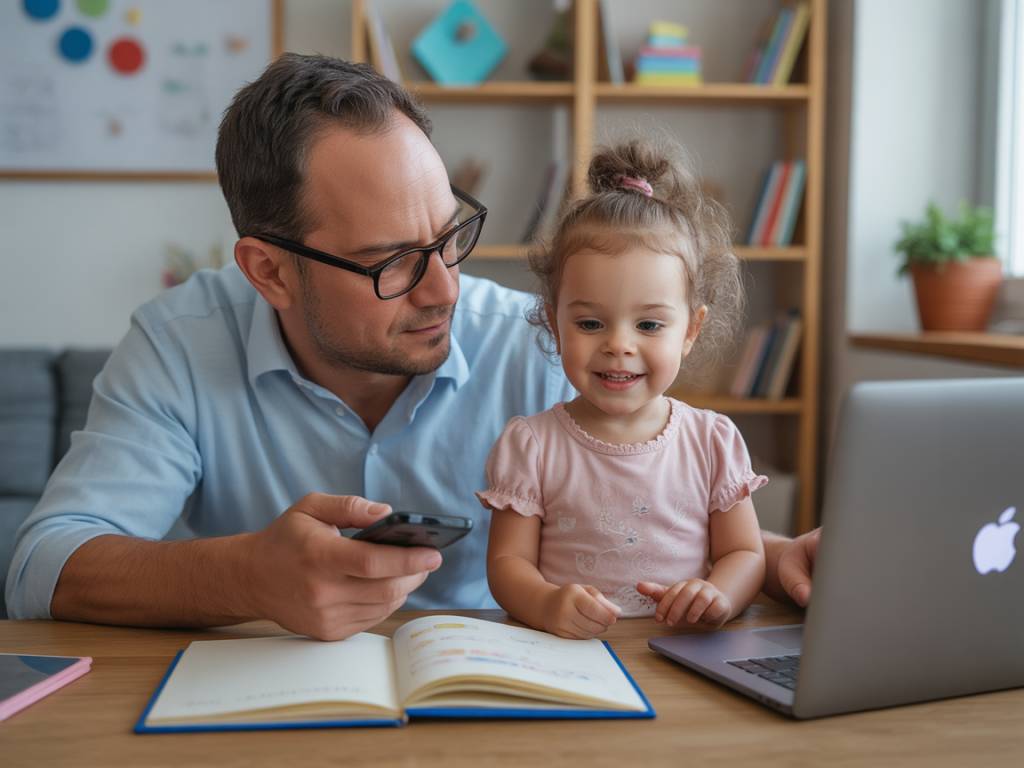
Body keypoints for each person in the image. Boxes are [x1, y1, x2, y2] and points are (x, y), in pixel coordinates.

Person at [5, 54, 820, 640]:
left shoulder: (543, 340)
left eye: (447, 237)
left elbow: (638, 509)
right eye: (391, 262)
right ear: (269, 271)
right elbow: (42, 564)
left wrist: (772, 557)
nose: (445, 291)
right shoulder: (181, 345)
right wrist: (247, 577)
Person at [479, 140, 767, 639]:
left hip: (681, 653)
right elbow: (507, 565)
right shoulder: (532, 444)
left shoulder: (711, 440)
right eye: (590, 323)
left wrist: (719, 594)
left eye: (649, 326)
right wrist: (546, 603)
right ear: (554, 323)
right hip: (569, 655)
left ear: (691, 331)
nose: (619, 346)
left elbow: (744, 553)